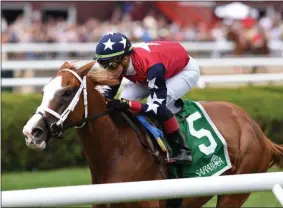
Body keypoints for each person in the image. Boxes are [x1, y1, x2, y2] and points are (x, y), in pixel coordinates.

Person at [93, 32, 200, 165]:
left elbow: (157, 107)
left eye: (111, 65)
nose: (107, 71)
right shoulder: (120, 63)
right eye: (104, 65)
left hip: (183, 71)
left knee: (156, 105)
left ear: (125, 59)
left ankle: (183, 151)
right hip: (148, 72)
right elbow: (106, 96)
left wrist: (128, 104)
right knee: (124, 96)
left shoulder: (152, 67)